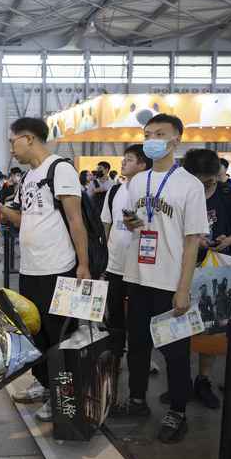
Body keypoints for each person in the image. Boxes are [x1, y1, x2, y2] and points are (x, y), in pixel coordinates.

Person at [107, 114, 208, 444]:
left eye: (160, 134)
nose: (151, 139)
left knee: (175, 351)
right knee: (136, 344)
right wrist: (133, 221)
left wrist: (183, 289)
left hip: (169, 282)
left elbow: (193, 239)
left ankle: (177, 411)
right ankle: (137, 400)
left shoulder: (189, 185)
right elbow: (134, 217)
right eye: (147, 133)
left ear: (176, 140)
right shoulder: (138, 181)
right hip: (136, 276)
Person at [0, 117, 90, 422]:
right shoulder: (28, 176)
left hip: (58, 268)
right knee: (35, 332)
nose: (12, 149)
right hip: (31, 269)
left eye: (12, 142)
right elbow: (28, 220)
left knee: (59, 333)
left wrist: (83, 264)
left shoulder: (59, 169)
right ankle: (45, 383)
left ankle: (63, 394)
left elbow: (76, 220)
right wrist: (1, 211)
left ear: (28, 138)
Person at [175, 148, 231, 409]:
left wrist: (227, 240)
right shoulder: (177, 192)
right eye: (199, 181)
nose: (205, 187)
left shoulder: (230, 195)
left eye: (211, 182)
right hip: (179, 268)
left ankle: (202, 380)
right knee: (179, 327)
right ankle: (178, 381)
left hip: (215, 271)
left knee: (211, 329)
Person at [100, 144, 151, 356]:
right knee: (115, 314)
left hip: (142, 266)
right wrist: (104, 259)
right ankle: (117, 353)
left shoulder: (150, 192)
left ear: (142, 165)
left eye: (128, 159)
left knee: (140, 316)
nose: (122, 163)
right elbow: (106, 225)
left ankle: (139, 357)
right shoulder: (114, 191)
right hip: (115, 264)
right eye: (124, 159)